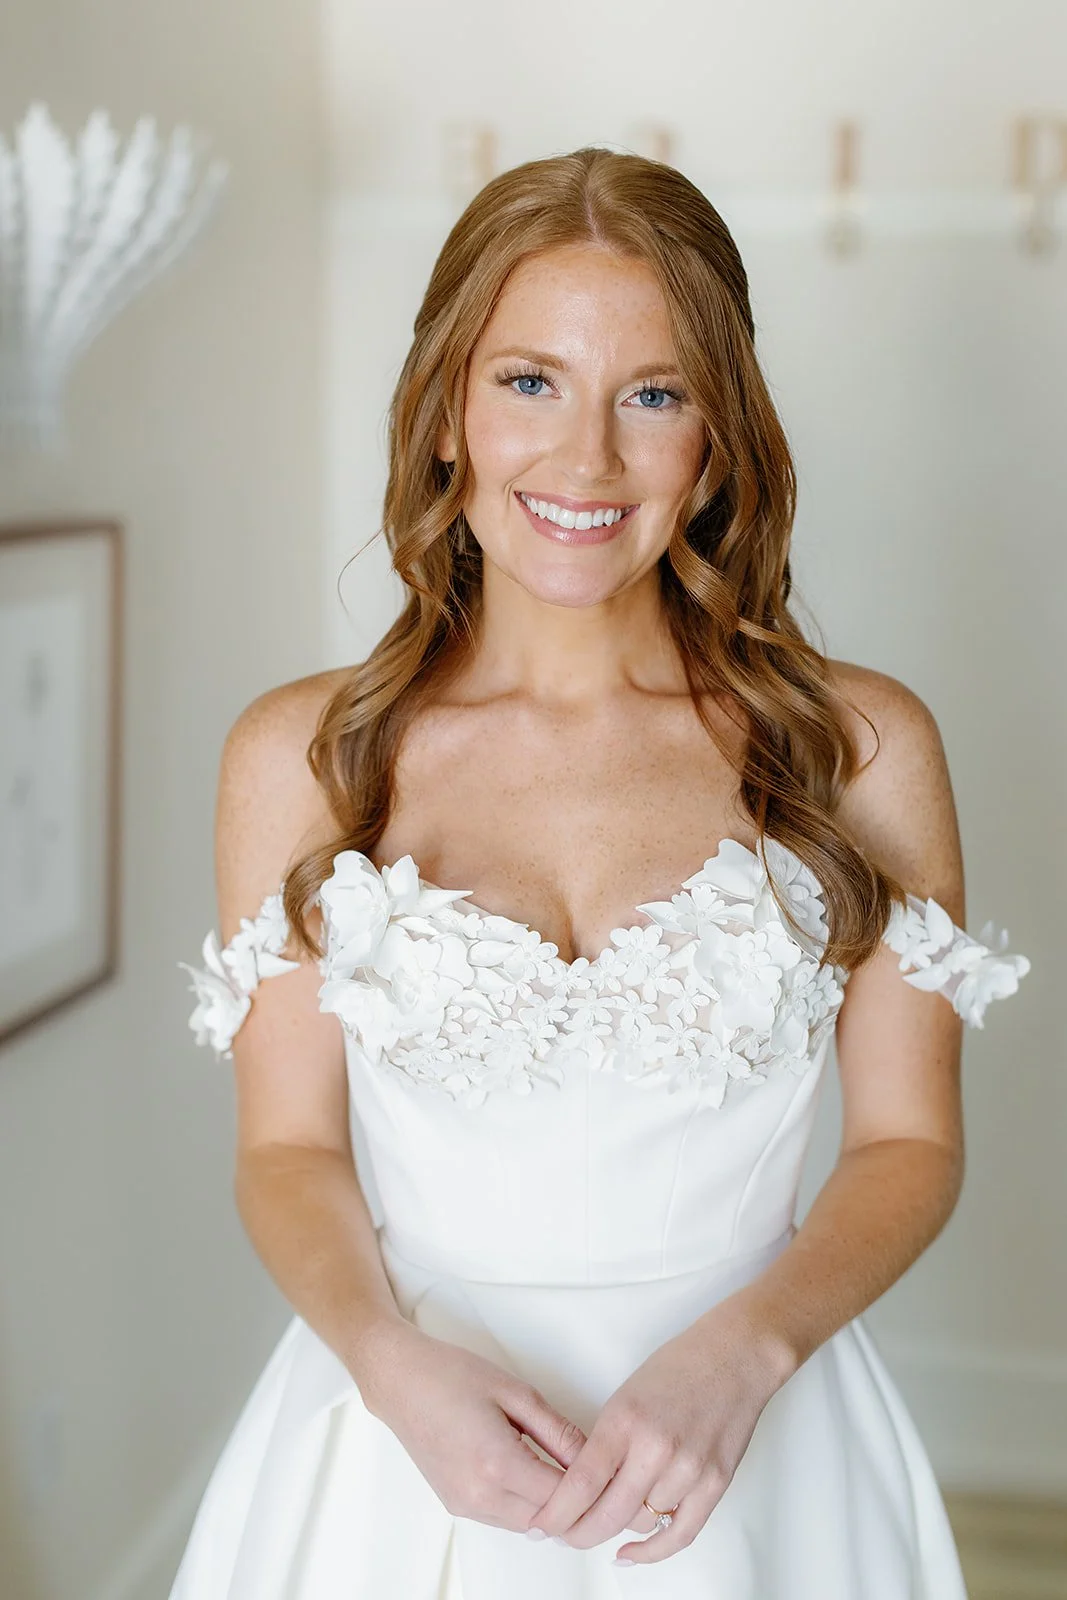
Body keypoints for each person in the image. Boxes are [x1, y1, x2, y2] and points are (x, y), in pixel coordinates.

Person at [170, 146, 1030, 1598]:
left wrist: (747, 1352)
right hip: (403, 1455)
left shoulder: (856, 748)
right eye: (528, 383)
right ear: (445, 412)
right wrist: (386, 1364)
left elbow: (907, 1143)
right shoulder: (303, 758)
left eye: (652, 394)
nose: (585, 461)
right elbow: (287, 1153)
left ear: (717, 436)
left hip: (751, 1453)